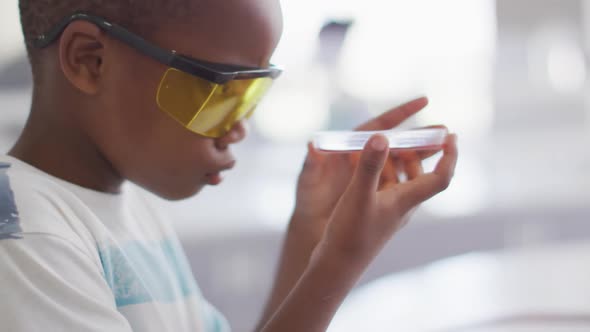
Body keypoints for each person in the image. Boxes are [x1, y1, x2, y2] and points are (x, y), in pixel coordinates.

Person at [0, 0, 458, 331]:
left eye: (253, 93)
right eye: (222, 91)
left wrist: (311, 238)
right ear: (90, 60)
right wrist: (339, 263)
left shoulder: (129, 206)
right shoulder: (27, 239)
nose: (239, 126)